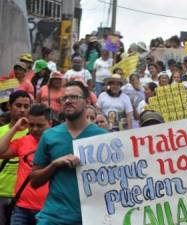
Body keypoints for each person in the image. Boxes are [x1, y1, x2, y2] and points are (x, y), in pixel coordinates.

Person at [31, 81, 107, 225]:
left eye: (74, 97)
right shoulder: (49, 136)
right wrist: (54, 165)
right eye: (64, 98)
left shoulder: (102, 136)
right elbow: (34, 181)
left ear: (87, 101)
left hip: (93, 218)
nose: (68, 101)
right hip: (53, 218)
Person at [0, 104, 51, 225]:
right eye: (31, 125)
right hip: (21, 209)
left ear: (50, 123)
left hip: (48, 210)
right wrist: (15, 128)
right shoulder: (24, 141)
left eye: (40, 125)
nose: (34, 129)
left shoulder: (58, 143)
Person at [0, 91, 31, 225]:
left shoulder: (35, 132)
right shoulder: (1, 131)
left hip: (23, 196)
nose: (22, 110)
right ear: (9, 106)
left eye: (26, 106)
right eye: (18, 105)